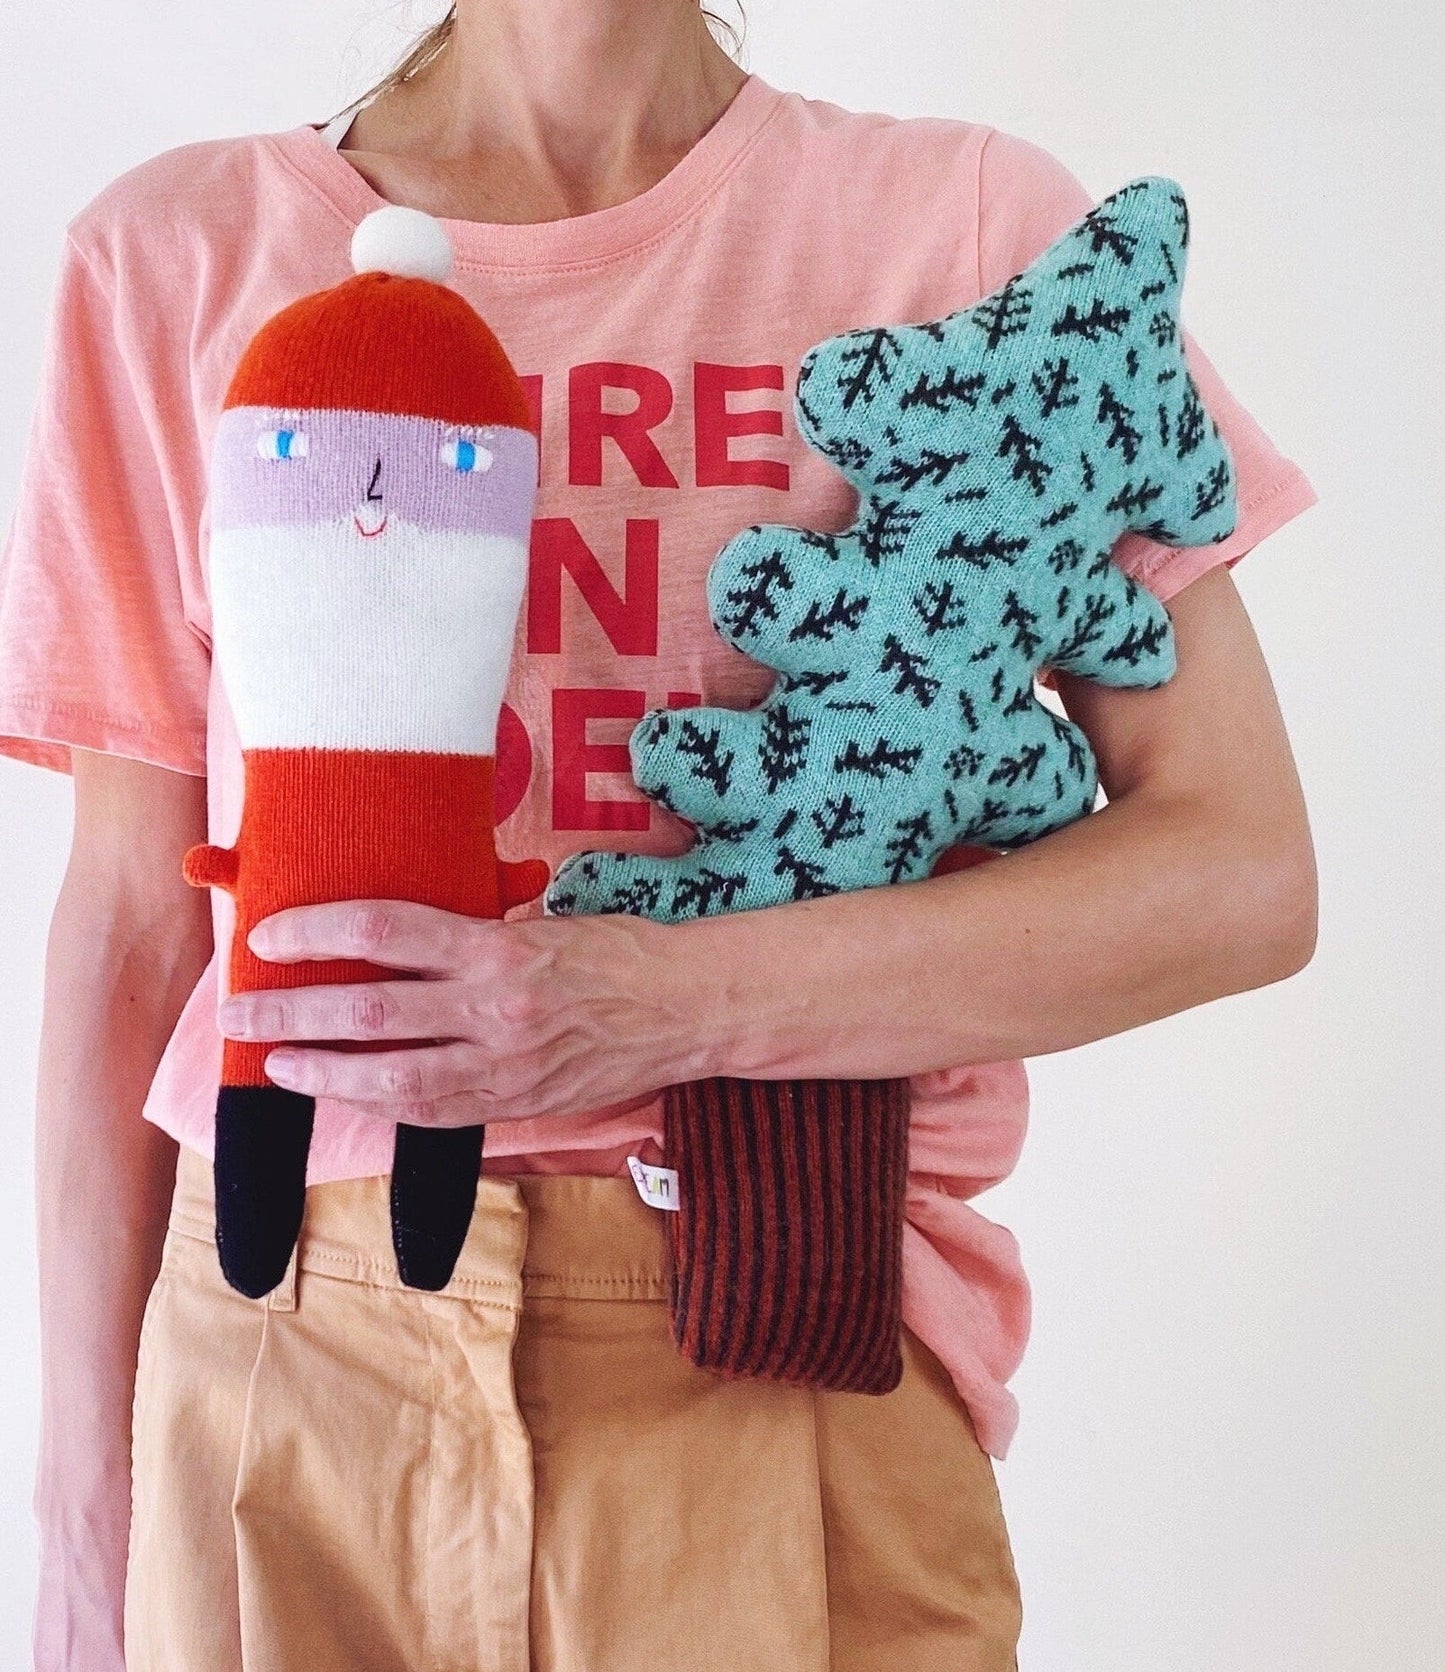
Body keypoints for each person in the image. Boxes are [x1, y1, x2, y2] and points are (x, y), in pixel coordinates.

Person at [0, 3, 1319, 1668]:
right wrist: (79, 1512)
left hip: (778, 1333)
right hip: (281, 1363)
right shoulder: (176, 255)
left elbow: (1237, 875)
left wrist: (656, 999)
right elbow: (134, 920)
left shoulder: (967, 227)